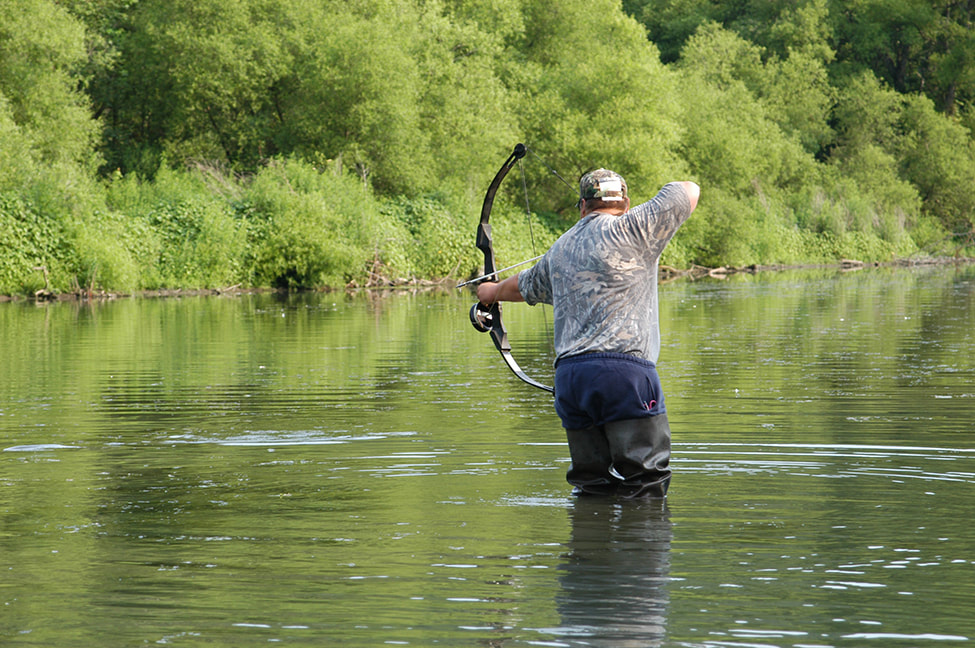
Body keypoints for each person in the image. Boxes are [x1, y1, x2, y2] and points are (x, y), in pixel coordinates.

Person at [477, 169, 699, 498]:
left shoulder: (560, 248)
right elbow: (689, 189)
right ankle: (638, 546)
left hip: (572, 381)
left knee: (591, 486)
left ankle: (587, 544)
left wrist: (488, 293)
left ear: (582, 206)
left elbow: (521, 287)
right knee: (645, 485)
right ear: (625, 202)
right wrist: (633, 213)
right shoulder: (636, 226)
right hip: (625, 375)